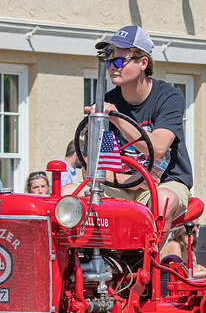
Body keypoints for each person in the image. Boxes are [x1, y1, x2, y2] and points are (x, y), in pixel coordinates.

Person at [79, 25, 193, 229]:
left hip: (164, 184)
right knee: (70, 194)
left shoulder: (168, 97)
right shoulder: (105, 101)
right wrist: (130, 179)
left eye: (120, 60)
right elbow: (91, 167)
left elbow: (157, 149)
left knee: (163, 200)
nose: (113, 66)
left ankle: (147, 260)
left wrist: (117, 119)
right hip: (120, 184)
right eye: (109, 61)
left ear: (143, 62)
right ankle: (80, 259)